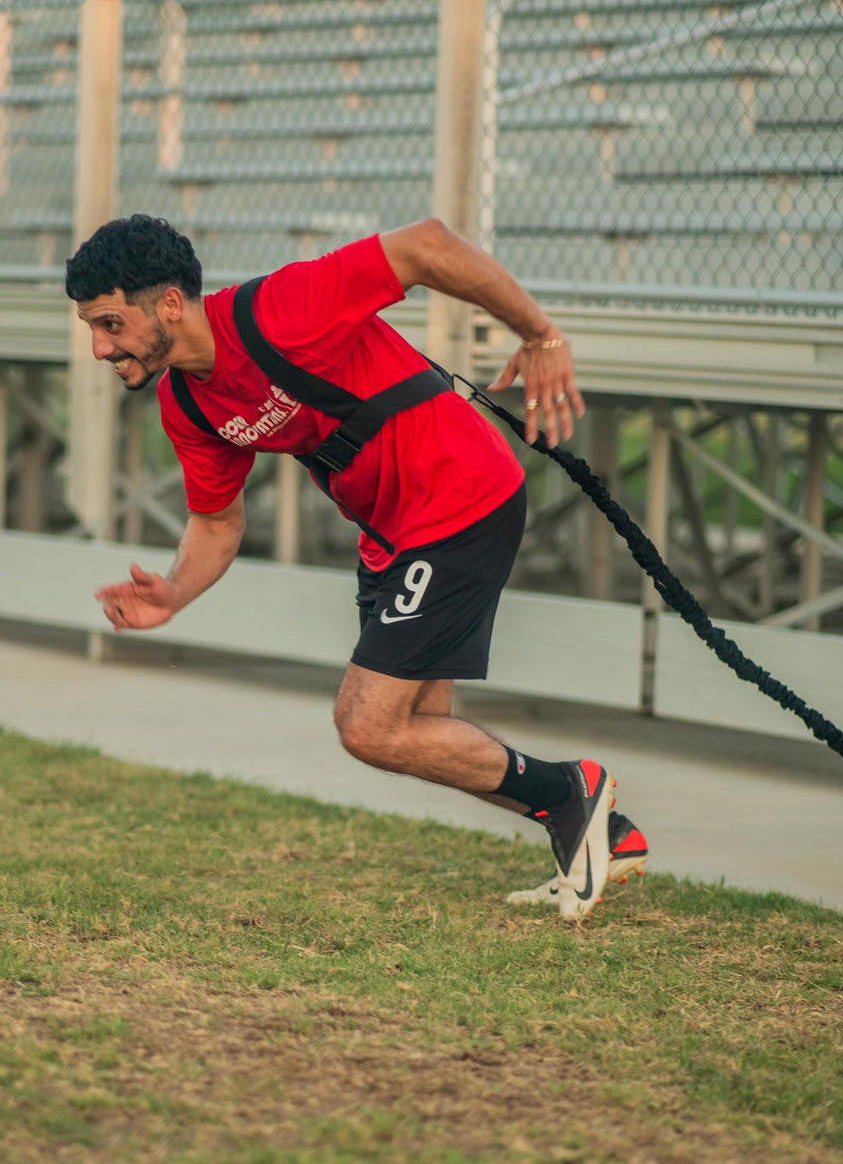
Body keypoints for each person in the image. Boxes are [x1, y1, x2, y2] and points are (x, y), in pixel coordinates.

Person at [65, 212, 647, 921]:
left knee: (368, 725)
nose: (98, 347)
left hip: (458, 493)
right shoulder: (187, 402)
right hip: (391, 533)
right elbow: (217, 523)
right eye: (92, 328)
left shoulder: (279, 312)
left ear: (169, 305)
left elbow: (426, 245)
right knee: (420, 732)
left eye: (109, 324)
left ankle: (570, 791)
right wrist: (175, 594)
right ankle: (595, 832)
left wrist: (540, 335)